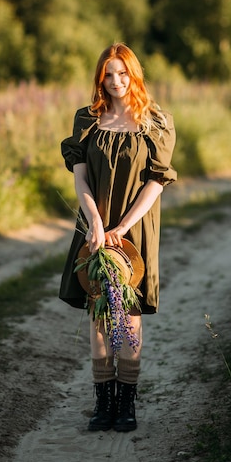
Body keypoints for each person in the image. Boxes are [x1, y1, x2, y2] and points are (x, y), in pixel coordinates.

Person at [59, 42, 177, 432]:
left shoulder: (155, 121)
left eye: (122, 73)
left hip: (135, 228)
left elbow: (157, 182)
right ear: (100, 78)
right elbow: (81, 178)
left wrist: (122, 227)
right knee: (98, 313)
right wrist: (94, 223)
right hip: (94, 228)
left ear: (134, 74)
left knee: (127, 315)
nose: (115, 81)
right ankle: (103, 404)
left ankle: (127, 405)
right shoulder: (87, 120)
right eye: (108, 74)